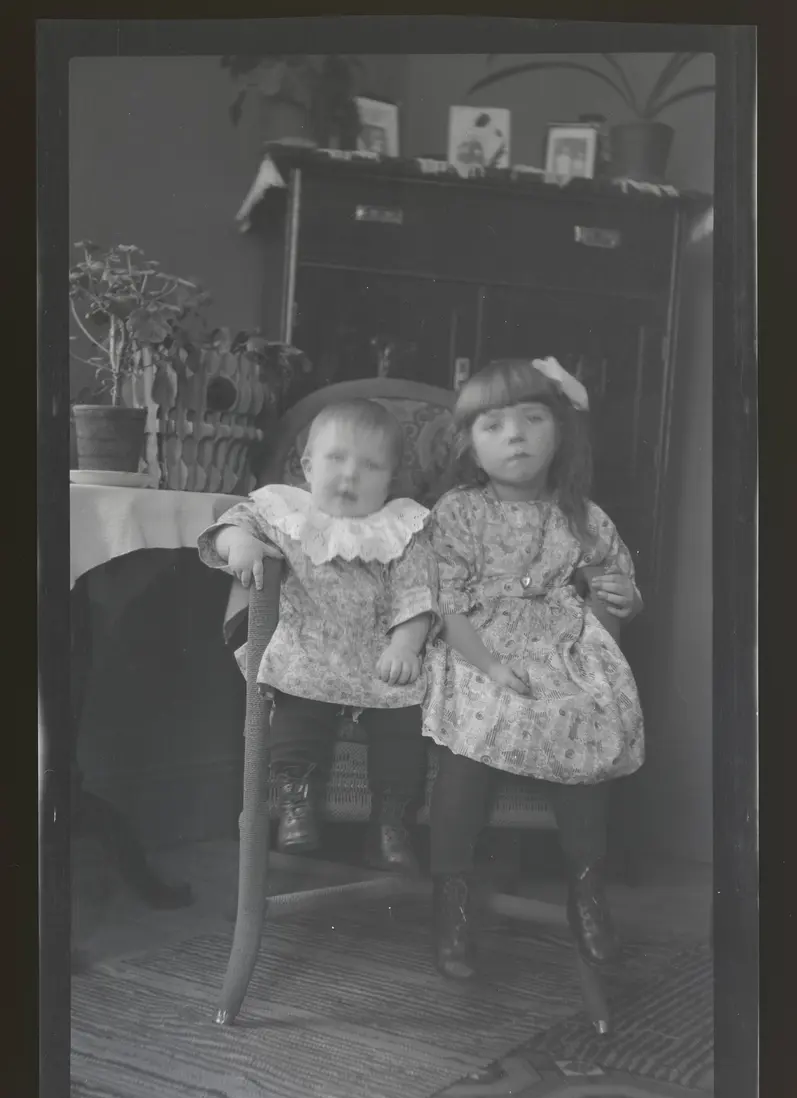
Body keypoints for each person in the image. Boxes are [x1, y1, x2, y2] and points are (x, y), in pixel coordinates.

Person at [421, 357, 644, 980]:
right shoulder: (459, 512)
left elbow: (615, 578)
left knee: (588, 717)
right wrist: (490, 666)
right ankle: (451, 897)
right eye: (493, 425)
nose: (515, 435)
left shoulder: (581, 514)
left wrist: (628, 597)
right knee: (471, 737)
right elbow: (446, 605)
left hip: (560, 649)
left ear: (560, 432)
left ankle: (587, 889)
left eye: (532, 419)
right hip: (477, 648)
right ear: (470, 445)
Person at [198, 399, 440, 874]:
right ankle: (297, 801)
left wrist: (405, 644)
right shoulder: (286, 512)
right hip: (308, 649)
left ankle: (390, 821)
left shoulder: (401, 529)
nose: (350, 475)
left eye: (370, 466)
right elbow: (229, 526)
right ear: (308, 466)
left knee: (402, 725)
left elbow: (418, 595)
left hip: (380, 657)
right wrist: (240, 543)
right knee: (296, 715)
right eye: (336, 459)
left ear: (390, 480)